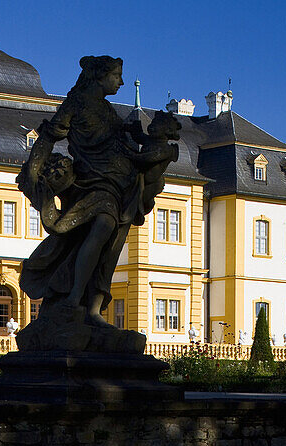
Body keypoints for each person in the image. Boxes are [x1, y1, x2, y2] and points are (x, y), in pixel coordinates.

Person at [18, 56, 179, 329]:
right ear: (99, 76)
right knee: (102, 227)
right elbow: (48, 137)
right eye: (116, 75)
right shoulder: (76, 104)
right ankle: (74, 296)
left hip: (123, 187)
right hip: (92, 183)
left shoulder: (108, 110)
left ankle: (92, 309)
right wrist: (33, 171)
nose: (122, 81)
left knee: (110, 249)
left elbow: (131, 145)